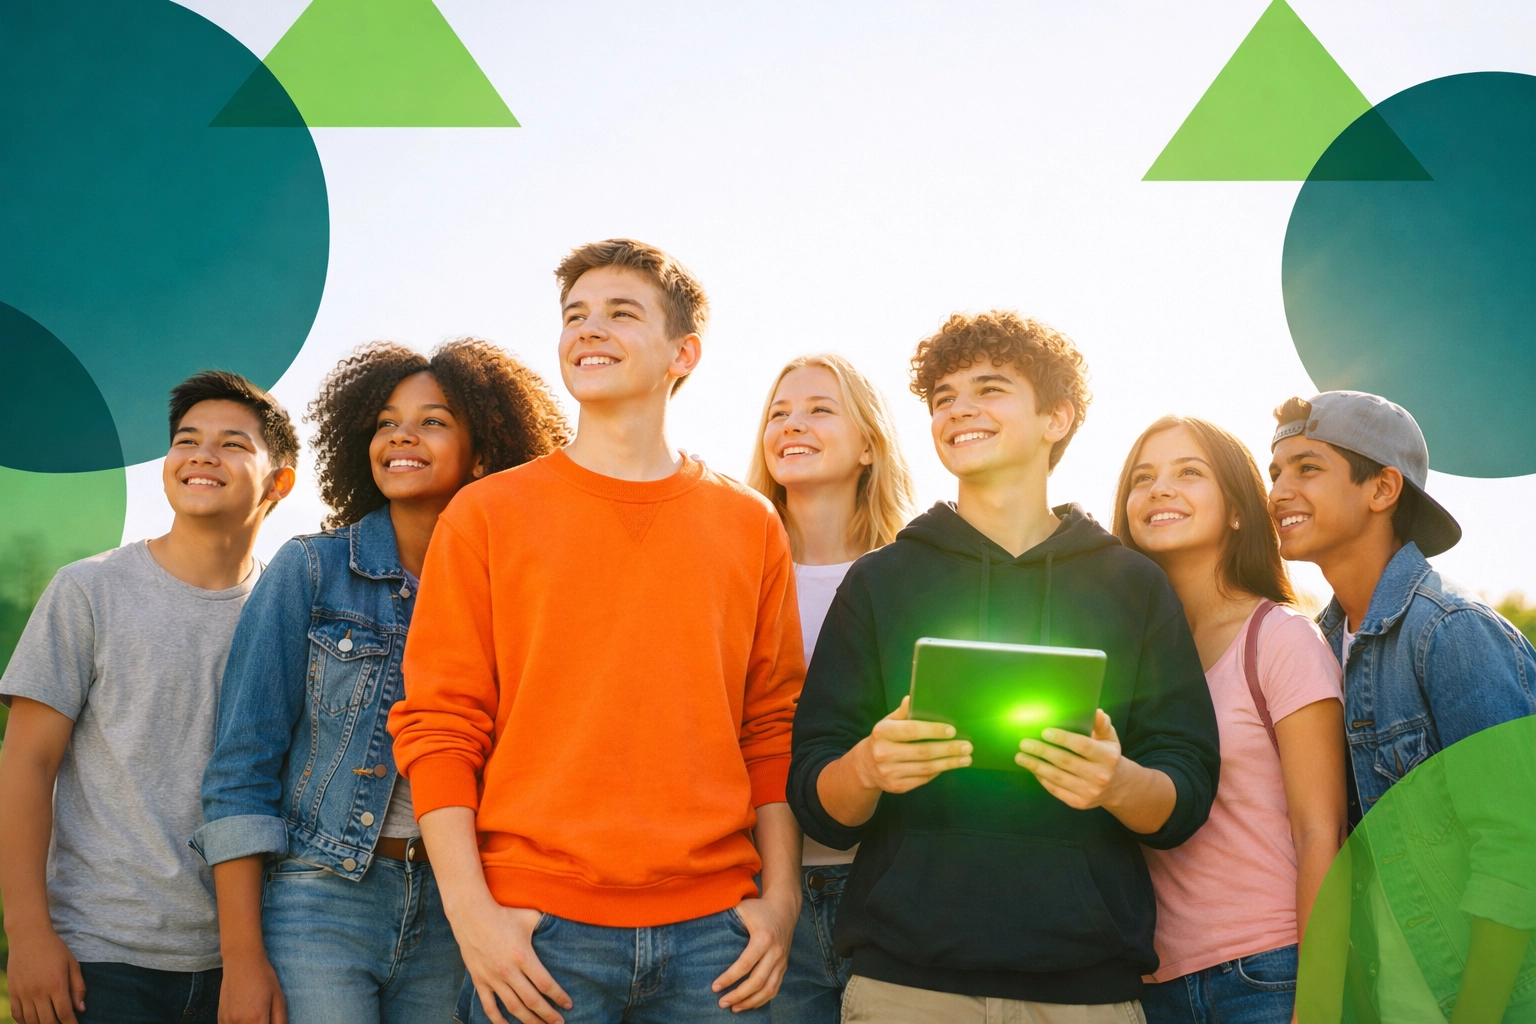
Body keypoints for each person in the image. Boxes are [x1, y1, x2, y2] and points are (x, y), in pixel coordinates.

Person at [388, 239, 806, 1024]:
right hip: (537, 938)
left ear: (684, 352)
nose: (589, 330)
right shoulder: (486, 516)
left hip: (718, 942)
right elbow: (439, 725)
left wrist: (780, 902)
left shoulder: (749, 524)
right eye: (574, 316)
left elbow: (771, 726)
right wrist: (471, 915)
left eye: (621, 313)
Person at [788, 311, 1221, 1023]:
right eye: (944, 398)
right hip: (907, 985)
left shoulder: (1133, 585)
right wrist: (868, 769)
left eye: (989, 389)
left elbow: (1186, 791)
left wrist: (1118, 783)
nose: (959, 409)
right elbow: (815, 794)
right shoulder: (879, 582)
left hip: (1088, 988)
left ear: (1057, 417)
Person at [195, 340, 571, 1024]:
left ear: (484, 452)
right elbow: (239, 772)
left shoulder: (519, 595)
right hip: (320, 900)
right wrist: (243, 957)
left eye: (433, 420)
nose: (401, 434)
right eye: (386, 422)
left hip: (459, 909)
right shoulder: (311, 571)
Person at [0, 372, 298, 1024]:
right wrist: (27, 936)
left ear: (280, 483)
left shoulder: (288, 616)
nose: (202, 455)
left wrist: (250, 959)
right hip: (98, 959)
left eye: (232, 444)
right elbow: (25, 764)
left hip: (240, 963)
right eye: (187, 440)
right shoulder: (89, 591)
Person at [1267, 391, 1536, 1022]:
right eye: (1274, 471)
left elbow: (1518, 848)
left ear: (1383, 489)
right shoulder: (1320, 647)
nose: (1278, 490)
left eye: (1307, 468)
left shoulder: (1452, 633)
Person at [1111, 416, 1347, 1024]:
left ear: (1238, 510)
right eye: (1143, 478)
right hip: (1147, 982)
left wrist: (1317, 1000)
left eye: (1189, 472)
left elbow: (1321, 831)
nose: (1160, 489)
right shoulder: (1120, 653)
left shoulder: (1280, 638)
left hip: (1265, 973)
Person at [745, 354, 915, 1023]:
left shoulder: (913, 574)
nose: (793, 425)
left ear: (869, 444)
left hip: (889, 887)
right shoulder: (732, 569)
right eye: (778, 413)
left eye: (820, 408)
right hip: (757, 889)